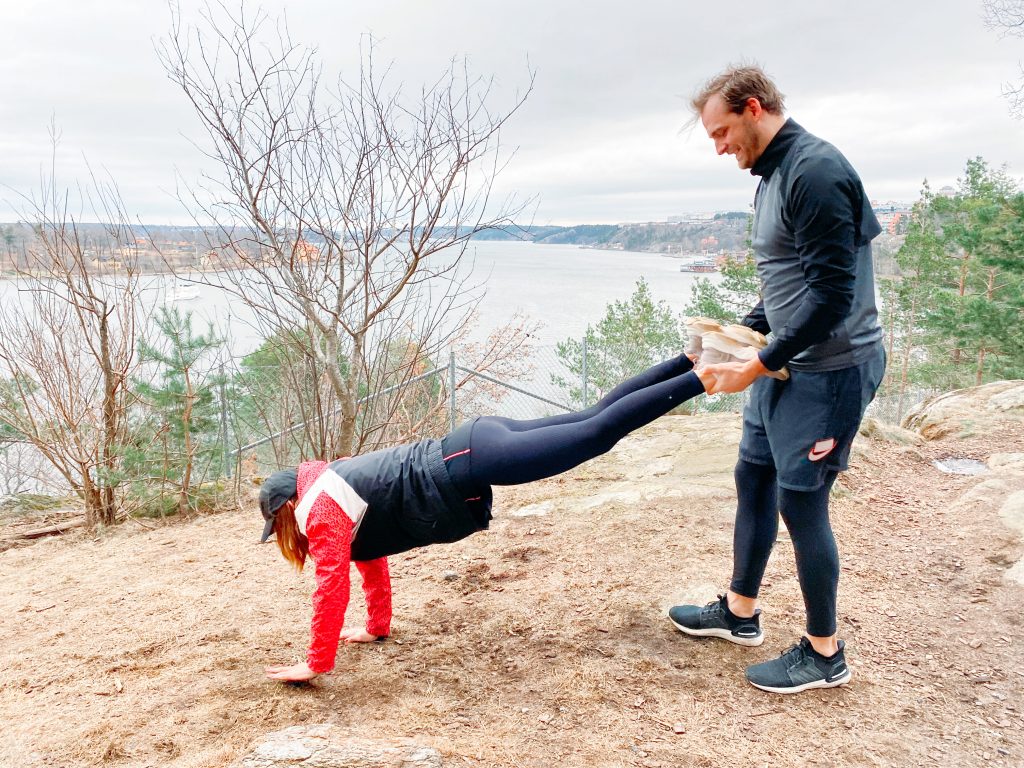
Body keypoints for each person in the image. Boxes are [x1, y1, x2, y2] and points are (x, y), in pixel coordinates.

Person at [260, 354, 714, 683]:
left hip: (472, 459)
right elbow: (370, 559)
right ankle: (689, 360)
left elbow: (331, 585)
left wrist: (316, 661)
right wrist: (376, 627)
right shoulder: (337, 485)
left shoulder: (319, 511)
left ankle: (704, 377)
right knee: (592, 418)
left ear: (285, 509)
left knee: (596, 434)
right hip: (474, 439)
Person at [667, 65, 886, 695]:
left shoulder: (815, 170)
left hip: (831, 369)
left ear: (754, 107)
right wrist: (742, 335)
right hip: (784, 360)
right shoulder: (771, 176)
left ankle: (825, 653)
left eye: (722, 131)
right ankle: (739, 613)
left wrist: (757, 365)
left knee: (802, 500)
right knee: (752, 475)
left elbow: (831, 297)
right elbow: (785, 281)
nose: (719, 147)